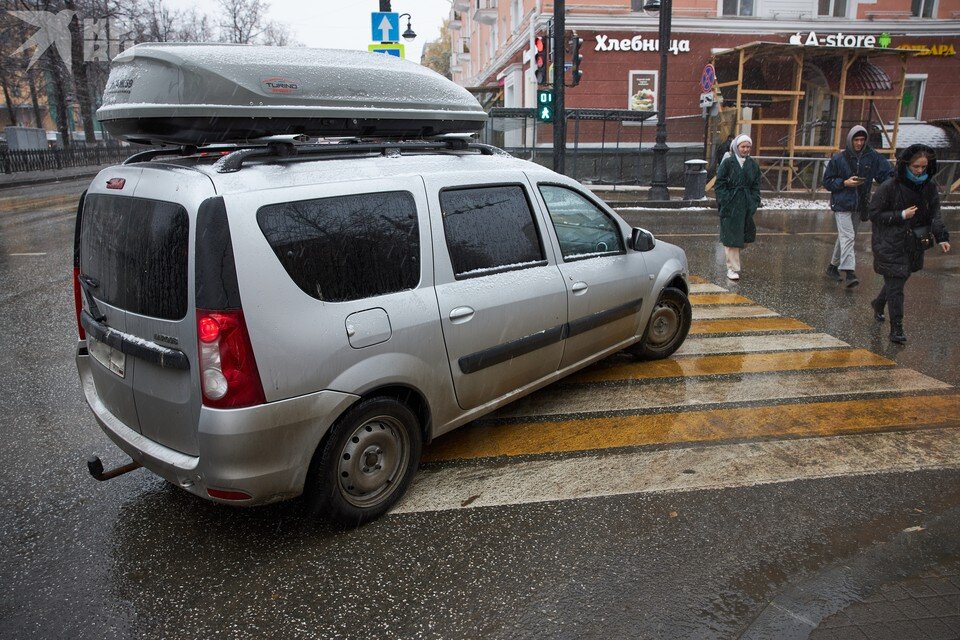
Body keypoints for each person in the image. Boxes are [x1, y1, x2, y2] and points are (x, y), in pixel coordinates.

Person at [868, 143, 951, 344]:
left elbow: (935, 214)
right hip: (890, 242)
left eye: (924, 167)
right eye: (916, 167)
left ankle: (878, 303)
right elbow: (874, 213)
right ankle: (896, 329)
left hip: (914, 243)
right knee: (896, 286)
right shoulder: (890, 186)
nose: (920, 171)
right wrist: (901, 215)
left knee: (899, 278)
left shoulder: (929, 187)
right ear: (906, 164)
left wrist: (941, 237)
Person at [822, 125, 894, 288]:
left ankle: (832, 267)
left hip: (860, 203)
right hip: (842, 203)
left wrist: (894, 184)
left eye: (862, 140)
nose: (859, 143)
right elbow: (827, 181)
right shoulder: (839, 159)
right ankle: (849, 272)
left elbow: (886, 173)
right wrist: (844, 183)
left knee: (847, 237)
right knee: (848, 236)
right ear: (850, 140)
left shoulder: (872, 157)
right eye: (856, 140)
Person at [715, 134, 760, 281]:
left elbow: (756, 186)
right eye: (743, 147)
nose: (746, 149)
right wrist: (726, 199)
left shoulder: (753, 165)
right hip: (731, 204)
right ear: (736, 147)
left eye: (748, 147)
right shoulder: (728, 163)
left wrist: (754, 202)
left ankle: (733, 259)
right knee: (732, 238)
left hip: (746, 205)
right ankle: (732, 268)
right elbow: (720, 184)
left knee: (745, 238)